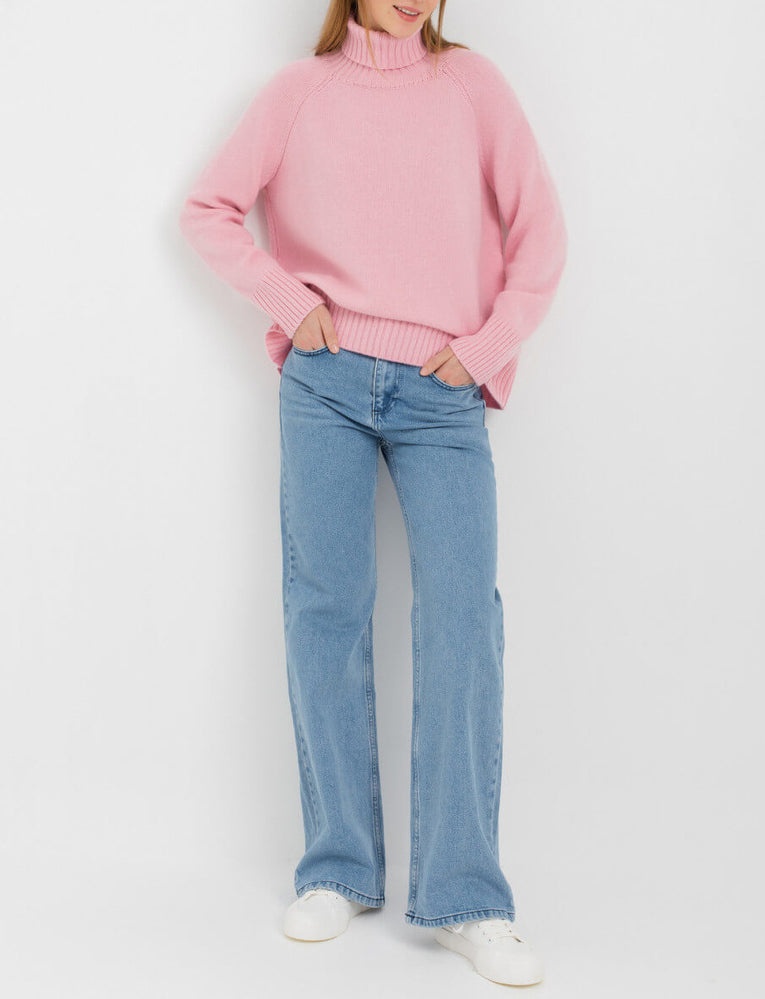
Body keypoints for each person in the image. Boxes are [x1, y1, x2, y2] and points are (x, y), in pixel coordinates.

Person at [179, 0, 567, 986]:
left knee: (462, 619)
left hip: (442, 393)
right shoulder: (298, 93)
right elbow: (207, 210)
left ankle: (466, 895)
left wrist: (485, 347)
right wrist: (290, 302)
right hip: (325, 385)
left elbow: (541, 231)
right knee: (326, 610)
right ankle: (338, 868)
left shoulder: (471, 86)